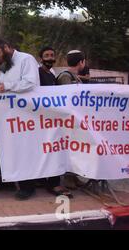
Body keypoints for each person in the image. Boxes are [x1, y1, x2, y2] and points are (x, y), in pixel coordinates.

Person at [0, 39, 40, 200]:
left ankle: (27, 187)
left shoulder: (26, 59)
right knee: (5, 146)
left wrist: (7, 86)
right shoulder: (5, 64)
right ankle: (6, 181)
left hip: (25, 114)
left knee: (23, 149)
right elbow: (4, 83)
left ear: (7, 48)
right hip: (8, 114)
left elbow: (30, 83)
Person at [38, 47, 73, 198]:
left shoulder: (52, 75)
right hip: (40, 120)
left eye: (52, 55)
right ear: (41, 58)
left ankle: (51, 180)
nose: (50, 58)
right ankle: (52, 183)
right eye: (46, 55)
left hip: (52, 121)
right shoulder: (38, 74)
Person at [56, 50, 87, 190]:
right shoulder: (65, 77)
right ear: (81, 62)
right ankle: (68, 177)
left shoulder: (74, 76)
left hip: (75, 120)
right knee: (68, 148)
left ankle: (73, 176)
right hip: (68, 121)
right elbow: (67, 100)